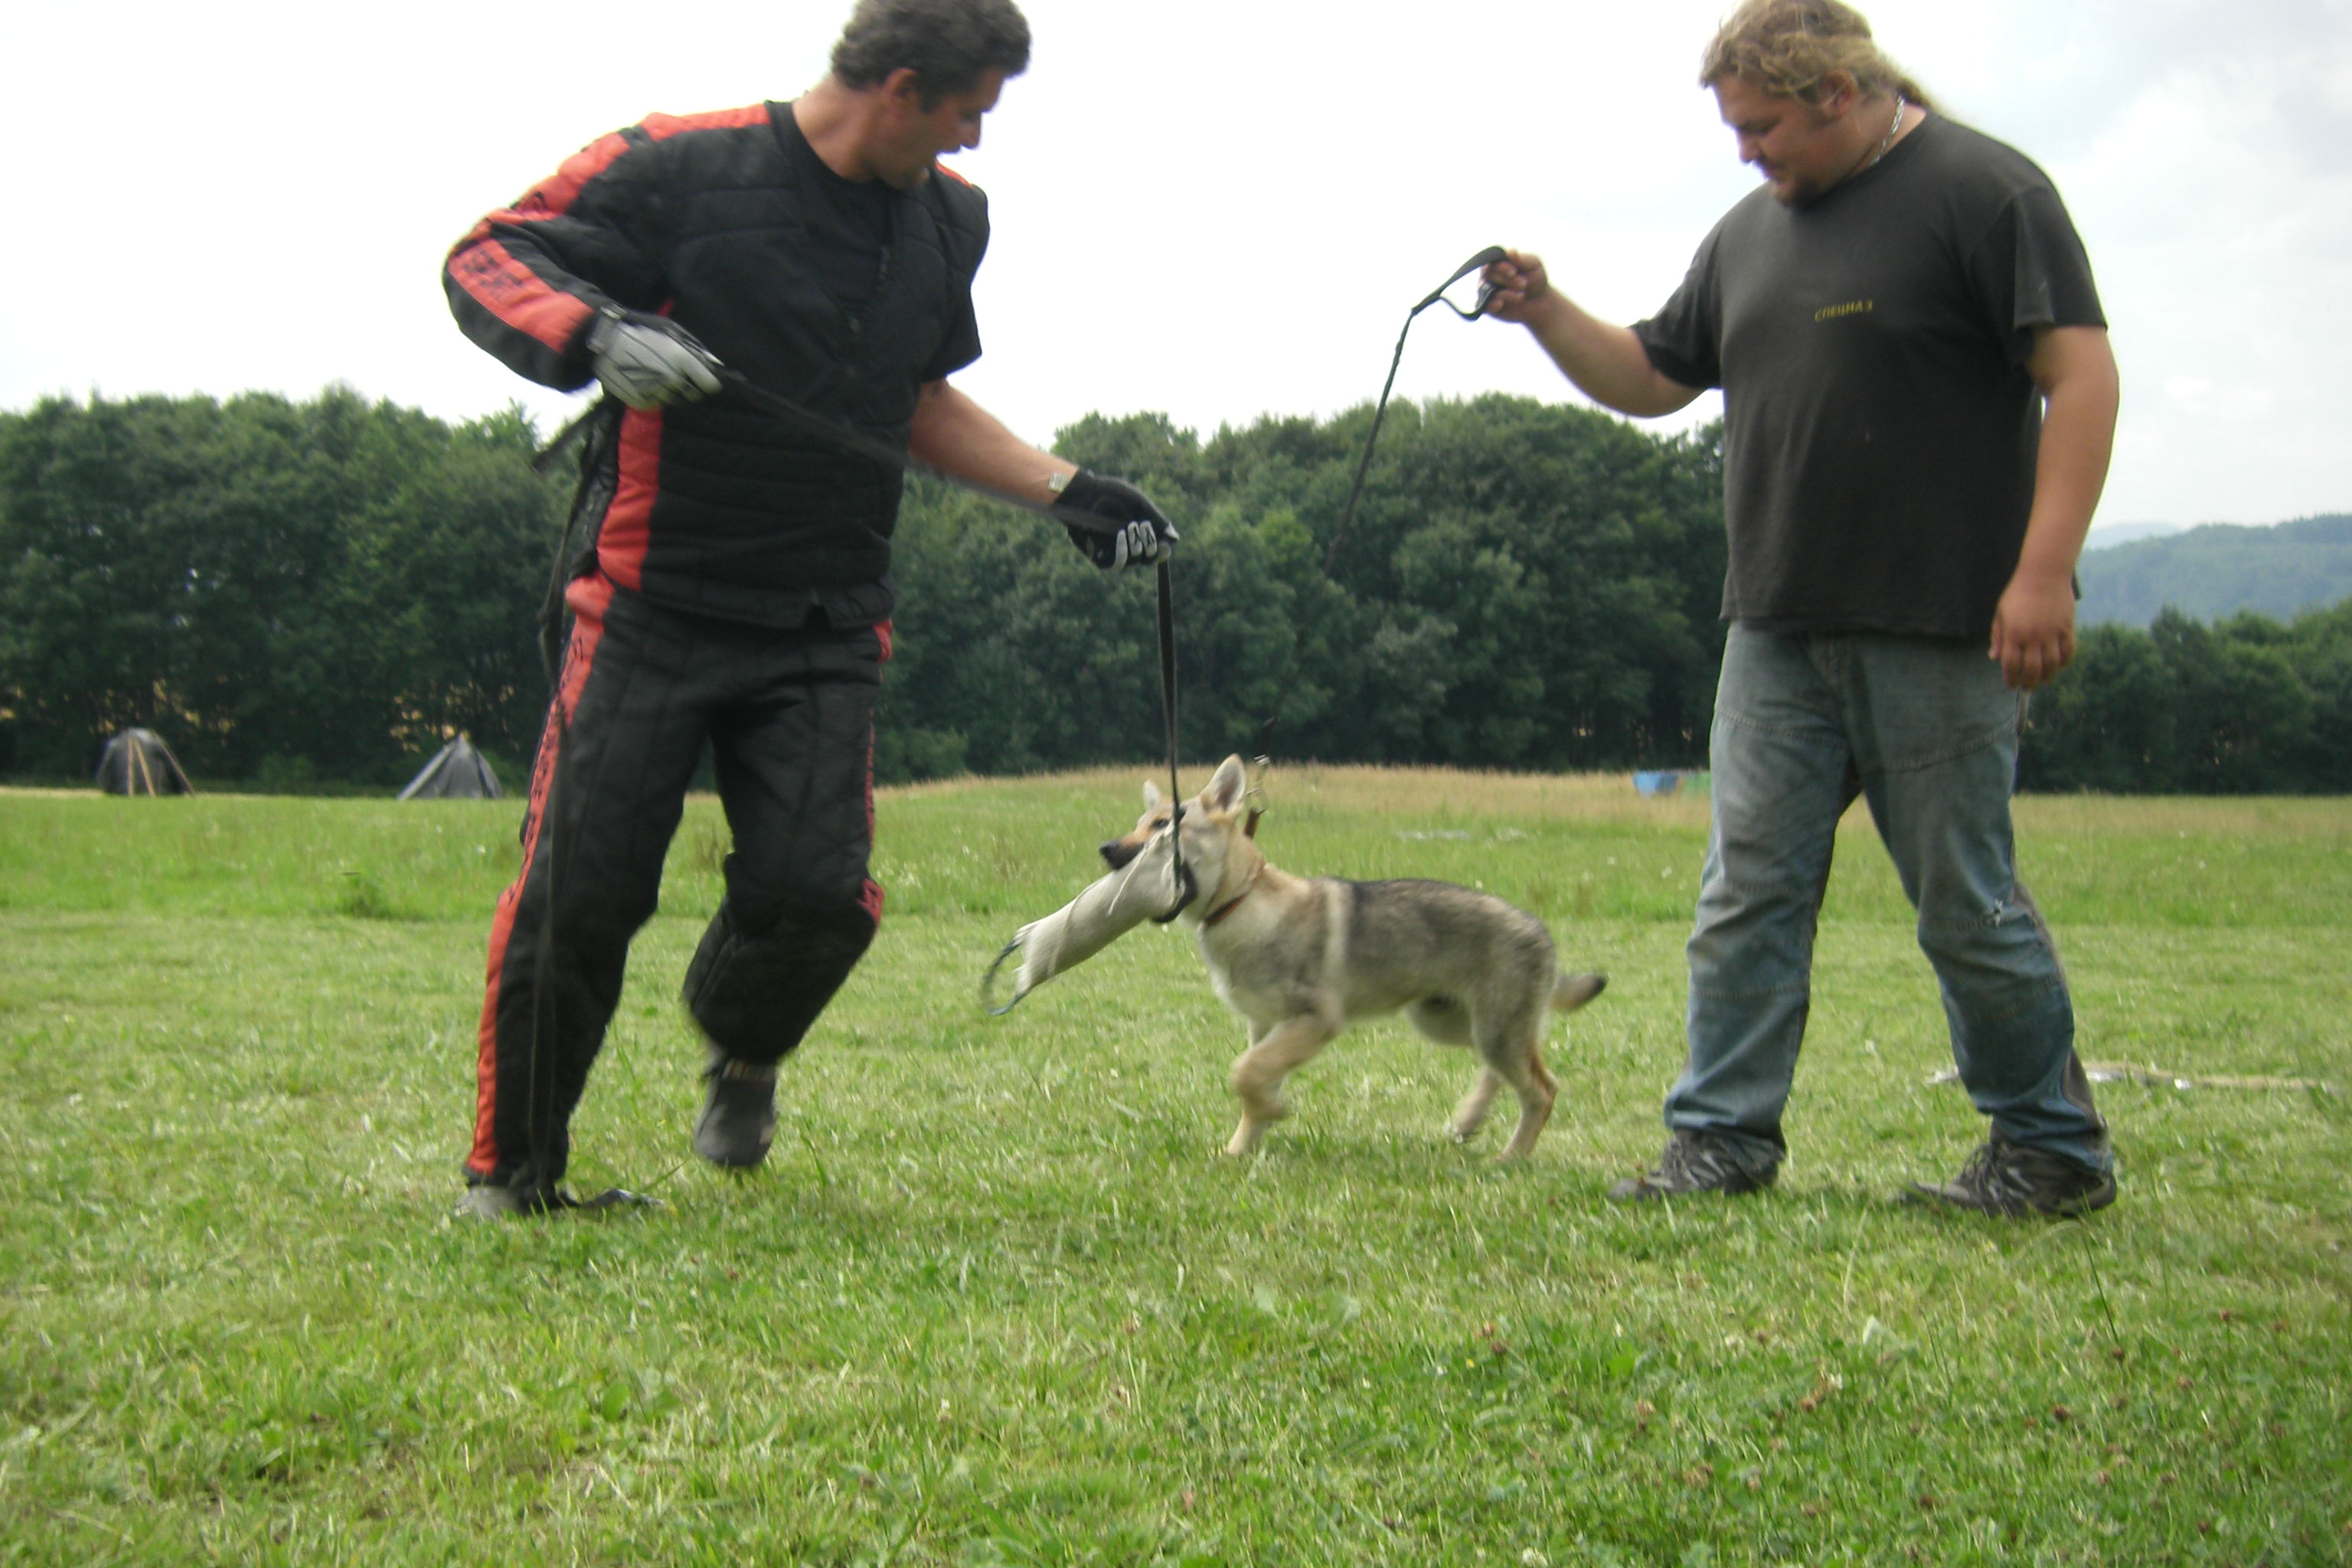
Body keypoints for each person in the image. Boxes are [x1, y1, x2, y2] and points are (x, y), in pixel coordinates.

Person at [443, 0, 1175, 1217]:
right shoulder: (678, 165)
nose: (976, 145)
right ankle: (511, 1176)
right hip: (644, 604)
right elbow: (486, 258)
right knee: (583, 890)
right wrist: (599, 331)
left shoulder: (949, 221)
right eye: (968, 114)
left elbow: (915, 402)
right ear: (900, 88)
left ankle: (743, 1050)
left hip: (825, 622)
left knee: (818, 898)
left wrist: (1074, 496)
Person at [1481, 0, 2120, 1216]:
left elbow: (2080, 375)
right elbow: (1658, 376)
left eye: (1762, 127)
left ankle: (2051, 1152)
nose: (1747, 153)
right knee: (1745, 894)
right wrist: (1547, 311)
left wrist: (2043, 572)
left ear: (1839, 92)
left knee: (1962, 901)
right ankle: (1721, 1143)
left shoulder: (1985, 193)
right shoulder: (1747, 235)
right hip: (1774, 626)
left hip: (1943, 622)